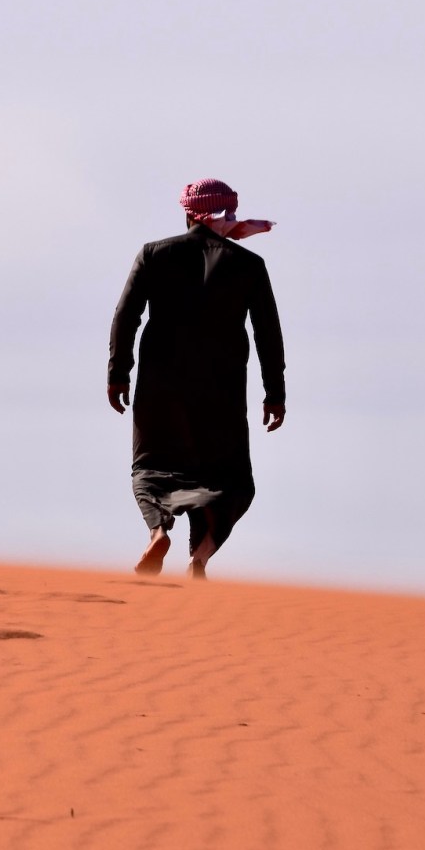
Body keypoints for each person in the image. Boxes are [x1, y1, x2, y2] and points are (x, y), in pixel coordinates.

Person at [107, 178, 287, 579]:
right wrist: (275, 393)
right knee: (230, 481)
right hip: (221, 394)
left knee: (151, 469)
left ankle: (158, 531)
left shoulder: (154, 254)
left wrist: (118, 373)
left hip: (159, 389)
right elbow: (268, 334)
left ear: (188, 213)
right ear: (226, 214)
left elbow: (126, 316)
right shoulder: (249, 265)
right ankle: (200, 558)